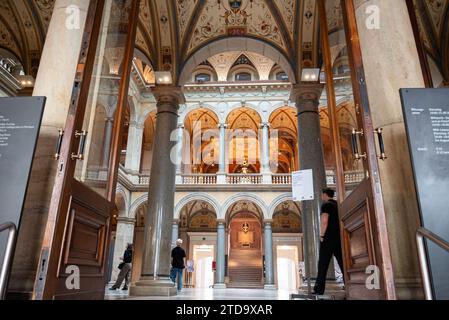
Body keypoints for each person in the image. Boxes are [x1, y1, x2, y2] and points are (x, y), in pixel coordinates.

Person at [313, 188, 344, 295]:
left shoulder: (326, 205)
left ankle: (319, 289)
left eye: (322, 195)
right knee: (342, 263)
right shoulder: (338, 205)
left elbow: (324, 221)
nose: (322, 197)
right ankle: (349, 286)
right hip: (339, 238)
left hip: (328, 238)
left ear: (325, 195)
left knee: (323, 264)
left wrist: (321, 235)